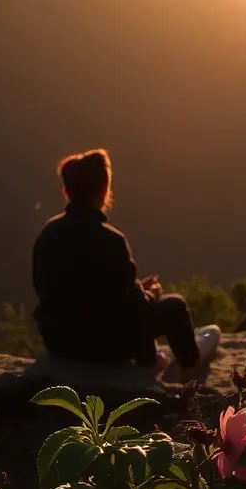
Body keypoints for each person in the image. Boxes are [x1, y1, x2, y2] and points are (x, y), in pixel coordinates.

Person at [32, 149, 220, 378]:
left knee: (126, 313)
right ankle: (188, 366)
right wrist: (152, 294)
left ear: (66, 192)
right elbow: (133, 308)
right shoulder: (110, 240)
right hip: (105, 349)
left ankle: (152, 358)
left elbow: (66, 293)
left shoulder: (48, 234)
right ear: (104, 190)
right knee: (175, 306)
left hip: (61, 344)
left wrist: (136, 288)